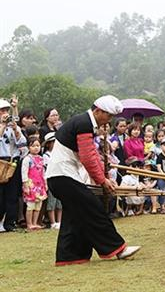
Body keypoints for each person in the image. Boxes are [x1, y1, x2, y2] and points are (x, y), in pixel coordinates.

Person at [46, 95, 140, 266]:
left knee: (74, 216)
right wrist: (102, 180)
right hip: (62, 175)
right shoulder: (84, 124)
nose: (109, 120)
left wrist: (103, 177)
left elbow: (92, 155)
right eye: (108, 116)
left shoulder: (85, 122)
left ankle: (70, 256)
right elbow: (88, 157)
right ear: (98, 111)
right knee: (93, 208)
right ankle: (117, 248)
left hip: (62, 176)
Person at [0, 97, 26, 232]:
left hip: (13, 161)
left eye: (6, 110)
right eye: (2, 110)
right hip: (0, 161)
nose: (4, 113)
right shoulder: (4, 126)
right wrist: (3, 126)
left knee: (12, 194)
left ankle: (10, 222)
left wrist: (15, 129)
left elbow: (22, 142)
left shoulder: (12, 126)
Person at [21, 137, 47, 231]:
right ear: (28, 147)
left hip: (40, 185)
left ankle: (35, 222)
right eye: (33, 146)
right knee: (30, 205)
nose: (36, 148)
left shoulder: (41, 158)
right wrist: (25, 185)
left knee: (38, 205)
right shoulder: (27, 159)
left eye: (38, 145)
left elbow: (43, 172)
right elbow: (24, 173)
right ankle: (29, 223)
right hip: (31, 185)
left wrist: (45, 183)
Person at [43, 132, 62, 229]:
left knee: (60, 202)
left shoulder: (60, 154)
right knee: (52, 202)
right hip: (51, 178)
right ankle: (52, 222)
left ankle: (59, 221)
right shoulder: (46, 156)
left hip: (60, 177)